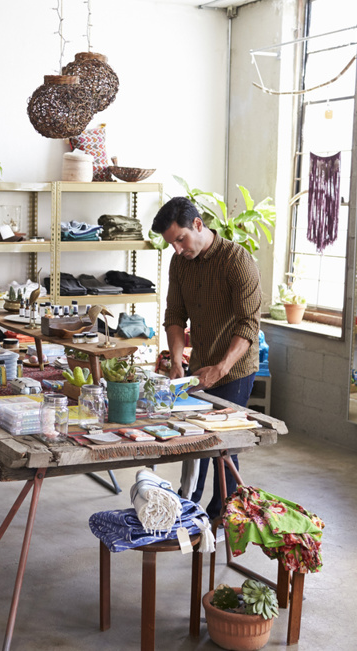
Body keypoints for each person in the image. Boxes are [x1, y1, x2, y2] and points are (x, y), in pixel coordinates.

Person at [151, 196, 261, 518]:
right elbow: (174, 314)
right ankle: (190, 504)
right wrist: (175, 360)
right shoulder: (180, 263)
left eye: (181, 239)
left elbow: (249, 324)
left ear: (198, 225)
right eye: (172, 243)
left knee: (222, 443)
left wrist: (223, 367)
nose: (178, 249)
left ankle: (224, 512)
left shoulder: (237, 261)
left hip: (235, 366)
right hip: (199, 364)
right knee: (195, 436)